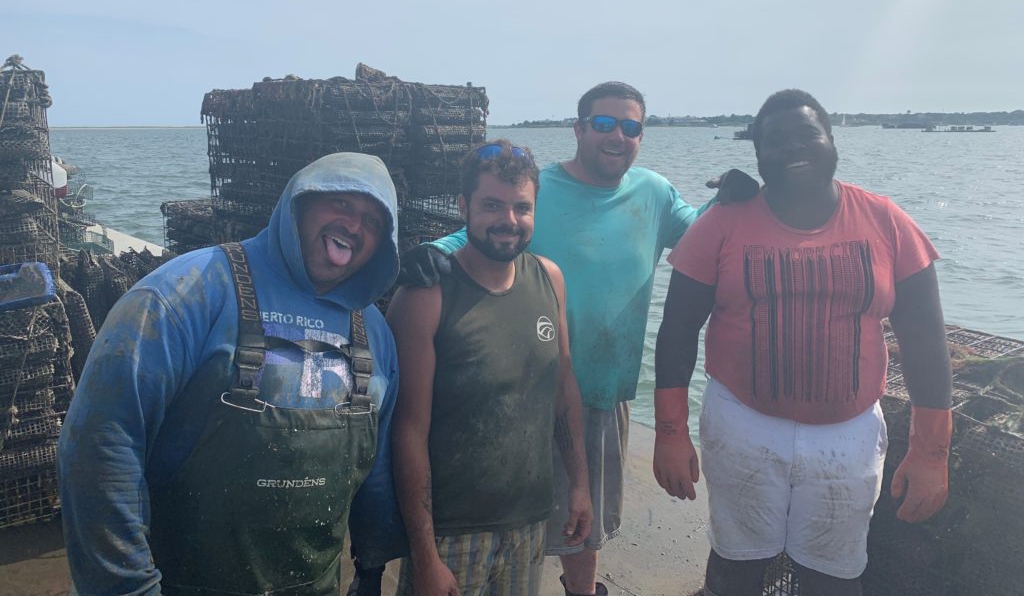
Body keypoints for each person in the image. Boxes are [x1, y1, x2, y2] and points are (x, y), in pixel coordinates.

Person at [402, 82, 758, 596]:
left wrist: (728, 201)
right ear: (578, 129)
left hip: (601, 388)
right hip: (521, 391)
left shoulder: (654, 192)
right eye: (603, 123)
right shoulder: (537, 190)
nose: (616, 135)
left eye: (630, 126)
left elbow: (701, 234)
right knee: (500, 519)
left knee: (582, 525)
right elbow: (480, 233)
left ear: (641, 135)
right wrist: (425, 250)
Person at [58, 153, 403, 596]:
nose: (354, 226)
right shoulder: (184, 293)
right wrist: (128, 586)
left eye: (373, 222)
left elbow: (376, 468)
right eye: (341, 204)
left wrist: (371, 568)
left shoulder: (375, 333)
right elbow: (99, 445)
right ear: (298, 204)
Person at [654, 89, 953, 596]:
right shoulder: (722, 224)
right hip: (741, 424)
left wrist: (931, 454)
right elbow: (677, 331)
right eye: (775, 142)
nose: (793, 149)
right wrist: (669, 433)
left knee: (833, 575)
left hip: (850, 435)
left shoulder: (886, 221)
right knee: (736, 568)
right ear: (758, 155)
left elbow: (926, 342)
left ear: (831, 141)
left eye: (807, 135)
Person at [390, 141, 592, 596]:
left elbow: (563, 390)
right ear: (463, 207)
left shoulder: (549, 279)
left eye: (522, 207)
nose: (509, 221)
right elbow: (407, 430)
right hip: (451, 531)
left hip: (528, 520)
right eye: (492, 205)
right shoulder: (426, 296)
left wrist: (579, 485)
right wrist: (424, 553)